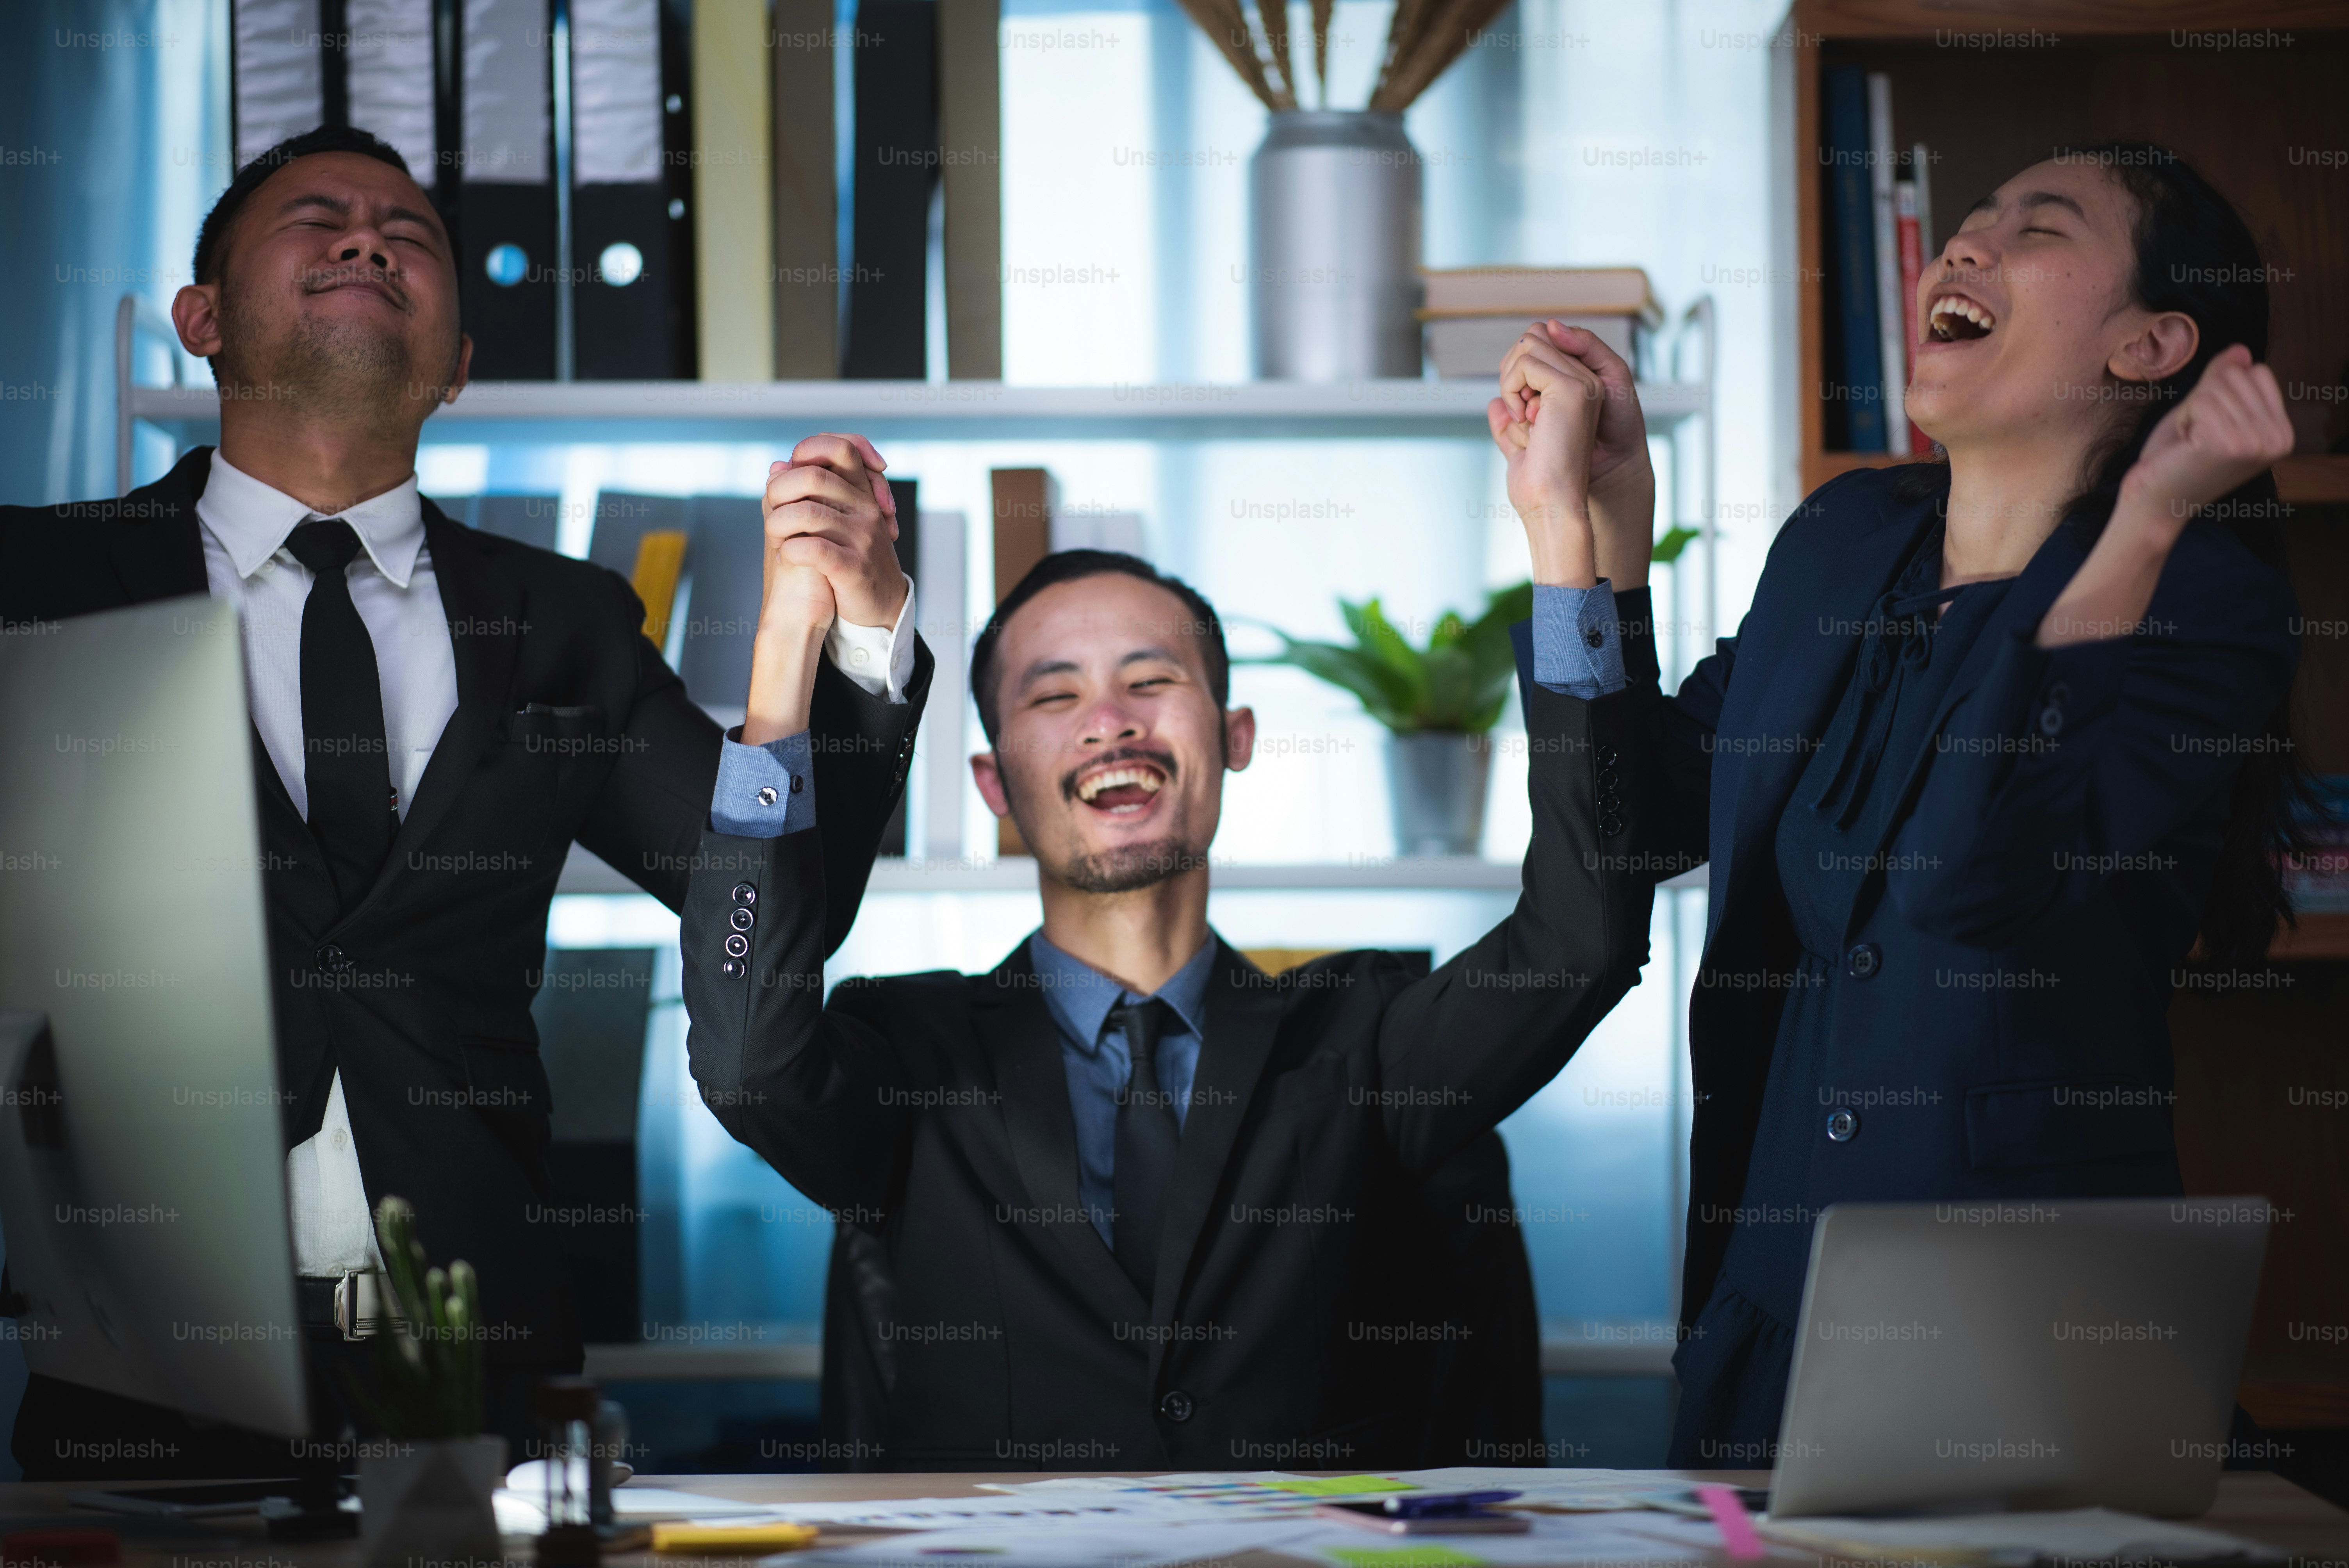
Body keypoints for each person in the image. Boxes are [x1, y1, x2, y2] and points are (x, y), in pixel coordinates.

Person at [0, 125, 929, 1476]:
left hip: (476, 1367)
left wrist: (839, 640)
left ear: (458, 366)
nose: (367, 239)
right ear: (201, 319)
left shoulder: (564, 621)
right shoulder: (38, 583)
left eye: (409, 235)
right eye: (315, 220)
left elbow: (774, 908)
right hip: (137, 1370)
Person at [1488, 141, 2303, 1464]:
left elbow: (1974, 881)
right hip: (1765, 1297)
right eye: (1967, 220)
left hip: (2024, 1333)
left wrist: (2147, 514)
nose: (1965, 243)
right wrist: (1584, 525)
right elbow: (1636, 824)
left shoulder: (2201, 602)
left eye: (2032, 226)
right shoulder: (1845, 537)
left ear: (2152, 343)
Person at [677, 500, 1656, 1463]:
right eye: (1054, 697)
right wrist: (783, 657)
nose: (1108, 722)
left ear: (1235, 737)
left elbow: (1584, 936)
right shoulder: (912, 1048)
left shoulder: (1363, 1034)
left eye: (1150, 680)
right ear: (994, 783)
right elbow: (746, 1062)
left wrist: (1566, 533)